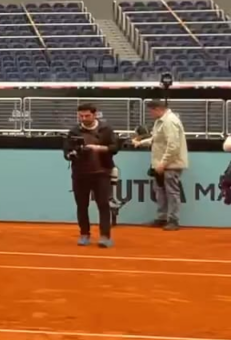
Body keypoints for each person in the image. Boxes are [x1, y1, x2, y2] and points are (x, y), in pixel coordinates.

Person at [64, 103, 120, 247]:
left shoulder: (106, 129)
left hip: (102, 173)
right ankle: (84, 234)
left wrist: (98, 148)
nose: (84, 118)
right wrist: (72, 154)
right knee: (82, 205)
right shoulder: (73, 131)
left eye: (87, 115)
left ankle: (105, 236)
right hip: (80, 174)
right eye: (81, 116)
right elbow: (66, 152)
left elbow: (115, 148)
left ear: (95, 114)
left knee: (103, 205)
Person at [131, 99, 188, 230]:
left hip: (170, 164)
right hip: (160, 164)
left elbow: (173, 146)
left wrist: (163, 163)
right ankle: (162, 218)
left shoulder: (170, 121)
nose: (150, 114)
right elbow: (156, 138)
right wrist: (140, 143)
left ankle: (173, 220)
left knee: (171, 192)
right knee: (160, 190)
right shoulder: (161, 121)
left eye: (151, 111)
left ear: (157, 109)